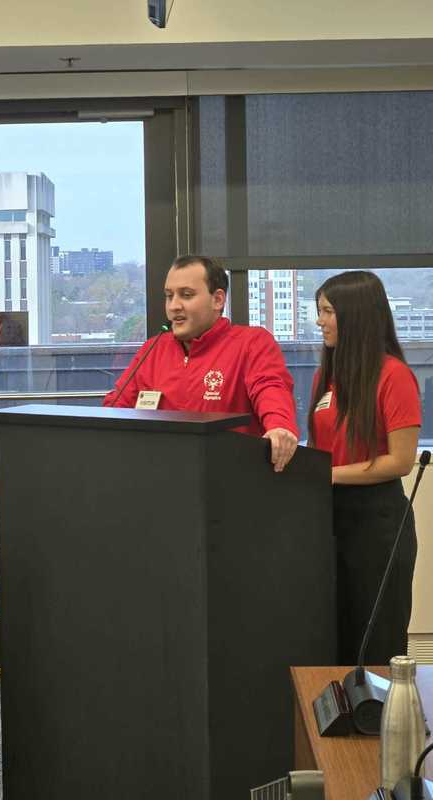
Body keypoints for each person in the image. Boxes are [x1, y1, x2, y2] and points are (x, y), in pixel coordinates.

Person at [308, 271, 421, 665]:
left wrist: (327, 474)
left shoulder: (394, 376)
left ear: (354, 315)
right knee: (329, 636)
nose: (319, 320)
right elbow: (319, 447)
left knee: (374, 644)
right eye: (318, 310)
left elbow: (400, 461)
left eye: (327, 311)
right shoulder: (327, 375)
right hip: (327, 520)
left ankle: (379, 725)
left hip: (377, 522)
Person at [104, 255, 298, 471]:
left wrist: (279, 427)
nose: (174, 306)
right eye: (169, 296)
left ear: (217, 300)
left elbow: (270, 388)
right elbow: (115, 408)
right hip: (160, 477)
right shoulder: (153, 348)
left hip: (230, 479)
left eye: (186, 295)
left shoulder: (251, 343)